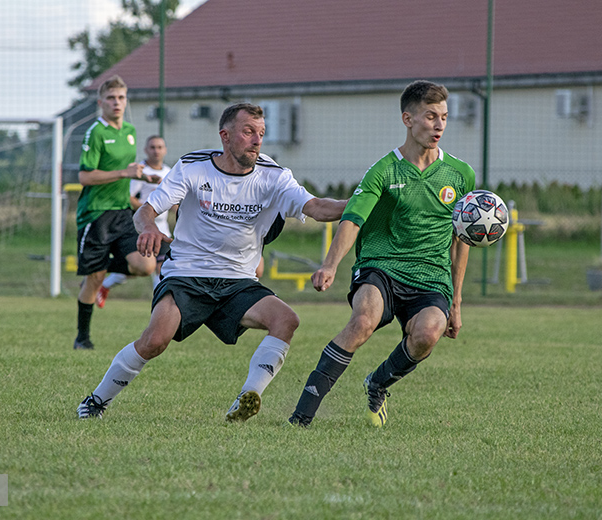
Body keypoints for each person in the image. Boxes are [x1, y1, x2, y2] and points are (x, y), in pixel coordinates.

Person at [77, 102, 347, 421]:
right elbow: (145, 210)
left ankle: (248, 397)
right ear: (225, 136)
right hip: (186, 275)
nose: (257, 140)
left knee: (286, 320)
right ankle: (95, 401)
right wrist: (149, 227)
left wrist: (364, 202)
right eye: (248, 132)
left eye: (261, 133)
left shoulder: (274, 176)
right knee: (155, 340)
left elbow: (317, 207)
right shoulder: (193, 166)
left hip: (238, 281)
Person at [288, 80, 475, 428]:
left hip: (431, 276)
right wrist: (330, 265)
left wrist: (457, 302)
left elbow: (461, 239)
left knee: (428, 333)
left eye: (444, 118)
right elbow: (353, 218)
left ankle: (378, 383)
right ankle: (301, 417)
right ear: (408, 118)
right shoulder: (383, 171)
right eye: (430, 116)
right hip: (381, 268)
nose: (438, 125)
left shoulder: (460, 175)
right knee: (364, 320)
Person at [73, 75, 160, 350]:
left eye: (121, 98)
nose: (117, 103)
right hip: (95, 215)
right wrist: (124, 172)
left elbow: (128, 172)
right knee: (94, 279)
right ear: (101, 103)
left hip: (122, 212)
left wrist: (145, 178)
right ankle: (82, 338)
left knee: (146, 265)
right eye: (111, 98)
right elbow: (85, 176)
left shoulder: (130, 131)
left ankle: (100, 265)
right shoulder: (95, 132)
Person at [96, 135, 174, 308]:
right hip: (142, 228)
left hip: (163, 230)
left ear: (165, 150)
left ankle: (159, 306)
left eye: (160, 147)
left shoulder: (169, 172)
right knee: (142, 268)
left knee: (162, 269)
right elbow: (128, 197)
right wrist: (149, 209)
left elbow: (173, 201)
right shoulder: (141, 172)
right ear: (146, 150)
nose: (156, 151)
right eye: (152, 147)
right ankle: (103, 283)